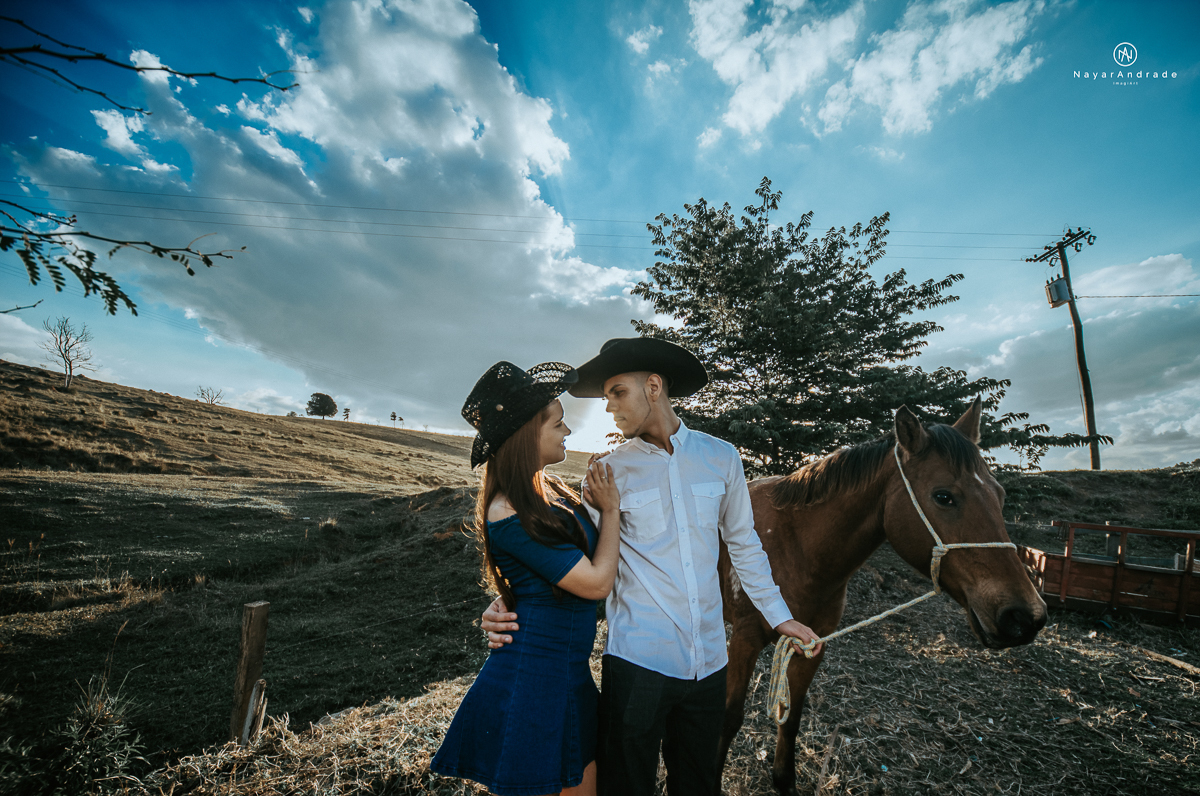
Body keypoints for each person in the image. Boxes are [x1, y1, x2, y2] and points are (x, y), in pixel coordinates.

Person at [482, 338, 822, 796]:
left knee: (699, 785)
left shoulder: (721, 457)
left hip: (710, 663)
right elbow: (567, 554)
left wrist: (779, 617)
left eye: (617, 392)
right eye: (605, 398)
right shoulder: (607, 474)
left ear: (655, 386)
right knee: (626, 787)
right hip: (637, 663)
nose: (609, 408)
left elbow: (744, 545)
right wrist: (505, 601)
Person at [430, 360, 622, 796]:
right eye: (557, 423)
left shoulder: (549, 491)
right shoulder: (507, 511)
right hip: (534, 679)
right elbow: (594, 584)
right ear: (525, 436)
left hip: (566, 673)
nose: (568, 432)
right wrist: (610, 511)